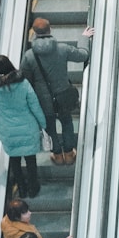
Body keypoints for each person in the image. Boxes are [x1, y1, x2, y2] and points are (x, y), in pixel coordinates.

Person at [19, 18, 93, 166]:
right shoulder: (62, 48)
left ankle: (57, 155)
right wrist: (83, 38)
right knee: (66, 122)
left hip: (42, 100)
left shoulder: (29, 56)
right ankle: (69, 154)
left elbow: (25, 79)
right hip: (63, 95)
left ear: (34, 33)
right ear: (50, 30)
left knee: (49, 126)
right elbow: (83, 55)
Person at [0, 55, 47, 198]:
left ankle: (21, 189)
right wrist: (43, 123)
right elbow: (34, 105)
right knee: (30, 160)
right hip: (28, 128)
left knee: (15, 161)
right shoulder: (23, 83)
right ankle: (33, 189)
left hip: (8, 131)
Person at [1, 199, 72, 238]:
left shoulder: (8, 222)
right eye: (25, 213)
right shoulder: (23, 237)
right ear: (16, 217)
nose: (30, 213)